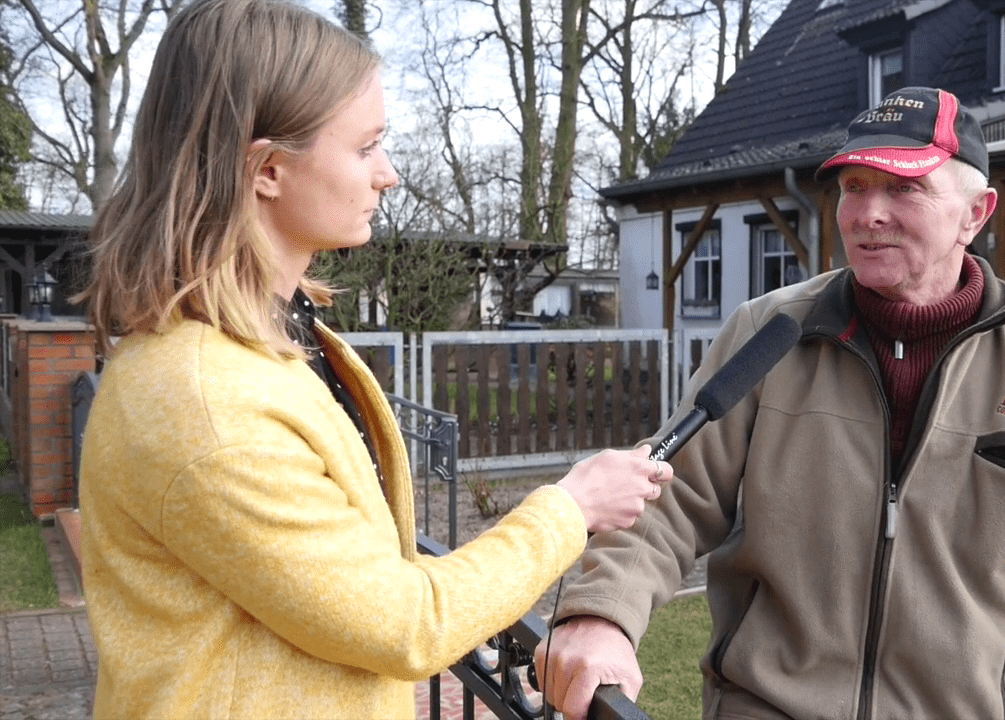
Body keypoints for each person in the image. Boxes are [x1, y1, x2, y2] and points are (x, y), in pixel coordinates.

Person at [74, 1, 672, 718]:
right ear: (266, 169)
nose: (386, 174)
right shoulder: (207, 401)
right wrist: (570, 507)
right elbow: (404, 623)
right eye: (365, 148)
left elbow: (356, 575)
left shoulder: (276, 337)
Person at [536, 87, 1005, 719]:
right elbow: (669, 494)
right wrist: (600, 612)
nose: (866, 213)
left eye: (903, 188)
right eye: (854, 185)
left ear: (975, 213)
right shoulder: (766, 335)